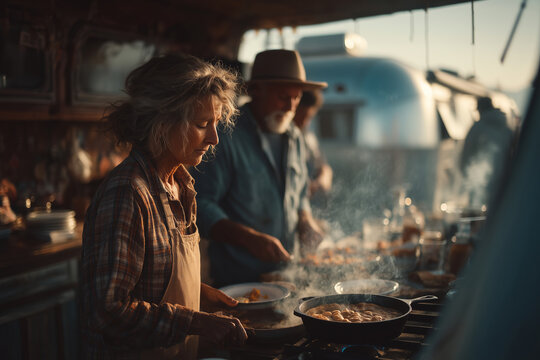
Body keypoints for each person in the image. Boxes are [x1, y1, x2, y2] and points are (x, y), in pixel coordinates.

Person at [80, 53, 248, 359]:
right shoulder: (128, 194)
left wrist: (200, 296)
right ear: (162, 121)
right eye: (201, 124)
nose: (214, 139)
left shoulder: (180, 186)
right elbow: (107, 312)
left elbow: (153, 285)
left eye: (215, 124)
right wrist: (194, 321)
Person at [191, 49, 327, 286]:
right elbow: (199, 205)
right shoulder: (224, 136)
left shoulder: (295, 137)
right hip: (237, 281)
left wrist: (305, 220)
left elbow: (300, 193)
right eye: (283, 97)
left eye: (296, 98)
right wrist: (249, 239)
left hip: (287, 276)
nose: (290, 107)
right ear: (255, 91)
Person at [459, 96, 514, 207]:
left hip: (480, 184)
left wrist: (466, 175)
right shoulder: (507, 128)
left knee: (479, 214)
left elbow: (466, 155)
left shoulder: (477, 129)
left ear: (480, 110)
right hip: (505, 184)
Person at [293, 89, 333, 197]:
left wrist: (320, 181)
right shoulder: (280, 137)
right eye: (301, 115)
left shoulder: (308, 138)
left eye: (309, 117)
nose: (304, 122)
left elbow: (323, 167)